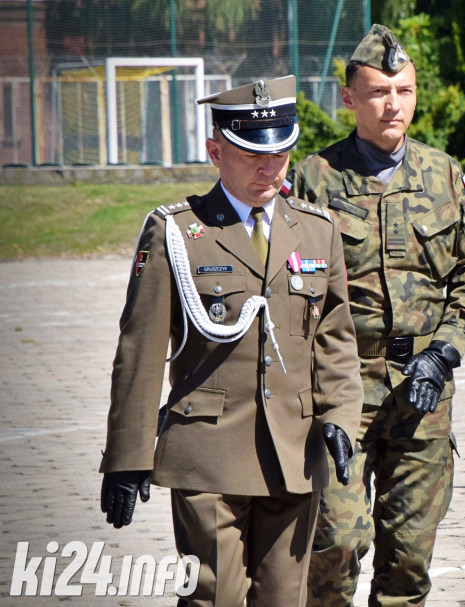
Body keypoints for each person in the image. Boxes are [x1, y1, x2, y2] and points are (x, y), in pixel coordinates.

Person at [98, 75, 364, 606]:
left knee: (284, 598)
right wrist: (127, 455)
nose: (270, 167)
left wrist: (340, 418)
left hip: (294, 451)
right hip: (208, 453)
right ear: (216, 151)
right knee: (212, 596)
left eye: (281, 153)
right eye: (251, 155)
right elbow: (140, 349)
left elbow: (334, 340)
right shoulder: (177, 231)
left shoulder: (317, 230)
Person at [287, 24, 465, 607]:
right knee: (335, 544)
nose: (392, 104)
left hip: (421, 395)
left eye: (403, 90)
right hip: (340, 391)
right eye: (378, 91)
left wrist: (443, 352)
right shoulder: (314, 180)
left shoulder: (444, 175)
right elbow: (287, 288)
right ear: (349, 98)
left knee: (409, 558)